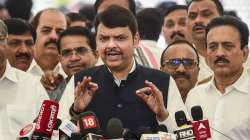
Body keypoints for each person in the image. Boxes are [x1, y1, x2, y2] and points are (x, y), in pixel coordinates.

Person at [69, 5, 186, 133]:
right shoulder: (80, 81)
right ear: (96, 40)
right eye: (104, 39)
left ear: (136, 40)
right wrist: (75, 111)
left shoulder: (163, 81)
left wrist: (163, 116)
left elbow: (186, 134)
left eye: (120, 38)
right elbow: (56, 133)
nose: (111, 45)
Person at [185, 16, 250, 139]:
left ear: (245, 53)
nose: (219, 53)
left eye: (228, 46)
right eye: (213, 47)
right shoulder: (195, 95)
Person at [0, 20, 48, 139]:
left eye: (0, 40)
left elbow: (49, 132)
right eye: (15, 43)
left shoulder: (32, 86)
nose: (24, 50)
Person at [41, 27, 98, 102]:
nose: (74, 58)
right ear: (60, 59)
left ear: (96, 55)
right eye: (67, 53)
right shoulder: (50, 94)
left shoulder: (112, 85)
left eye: (81, 51)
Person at [187, 0, 223, 82]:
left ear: (222, 19)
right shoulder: (181, 60)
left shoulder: (243, 57)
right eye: (192, 16)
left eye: (206, 14)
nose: (198, 20)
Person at [29, 8, 67, 77]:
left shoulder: (72, 73)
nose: (54, 36)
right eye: (46, 30)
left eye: (60, 32)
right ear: (33, 34)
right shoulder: (19, 69)